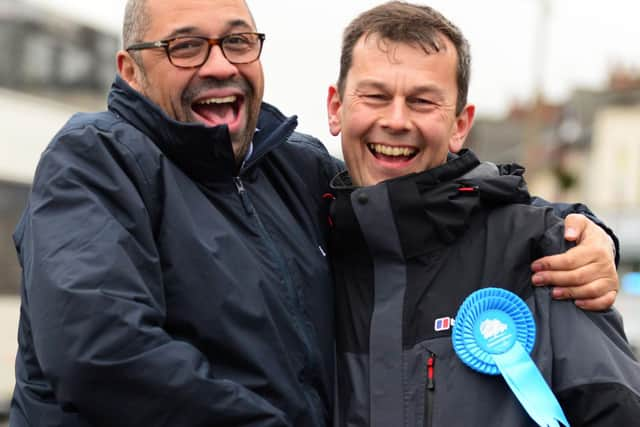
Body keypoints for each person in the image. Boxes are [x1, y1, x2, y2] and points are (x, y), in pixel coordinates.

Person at [8, 0, 620, 426]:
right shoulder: (96, 158)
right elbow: (100, 353)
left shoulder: (290, 168)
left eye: (238, 40)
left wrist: (573, 229)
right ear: (131, 70)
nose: (219, 63)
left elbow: (420, 196)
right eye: (185, 46)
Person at [325, 2, 640, 426]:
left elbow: (615, 411)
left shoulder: (545, 257)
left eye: (421, 101)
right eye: (375, 96)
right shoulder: (304, 247)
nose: (396, 120)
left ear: (460, 125)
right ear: (335, 108)